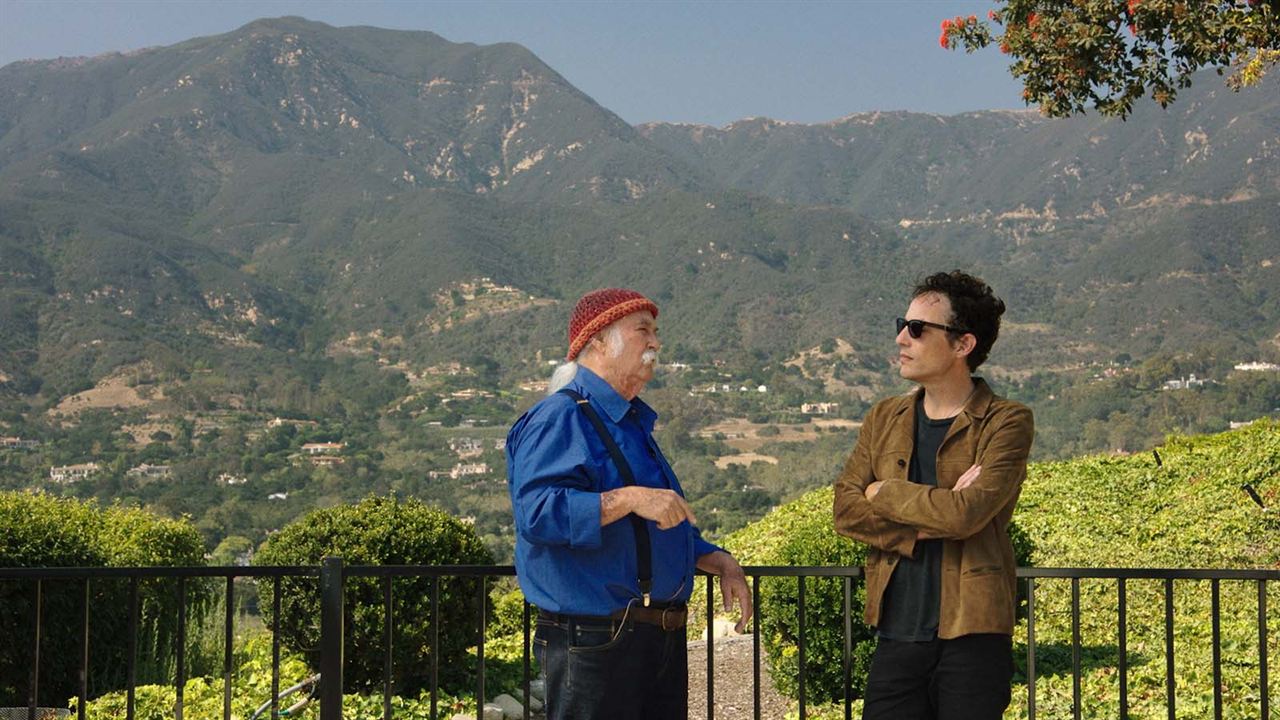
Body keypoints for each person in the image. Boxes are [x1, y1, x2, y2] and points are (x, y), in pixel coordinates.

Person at [507, 287, 753, 720]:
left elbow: (651, 524)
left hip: (651, 641)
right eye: (643, 330)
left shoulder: (630, 423)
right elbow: (538, 514)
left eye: (656, 332)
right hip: (595, 642)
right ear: (598, 339)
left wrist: (717, 559)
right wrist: (629, 498)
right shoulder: (559, 418)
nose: (656, 342)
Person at [833, 271, 1034, 720]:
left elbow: (967, 514)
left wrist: (883, 491)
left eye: (919, 329)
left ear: (963, 345)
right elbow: (846, 511)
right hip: (896, 632)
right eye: (902, 325)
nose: (903, 338)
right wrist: (929, 523)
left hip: (973, 636)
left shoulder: (1006, 421)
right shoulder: (884, 416)